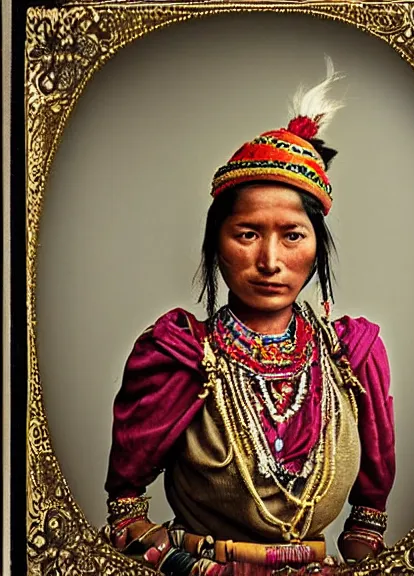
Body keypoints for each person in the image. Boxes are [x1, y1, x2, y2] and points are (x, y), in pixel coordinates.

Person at [104, 58, 395, 576]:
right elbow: (126, 511)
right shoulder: (177, 357)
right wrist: (182, 563)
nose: (270, 260)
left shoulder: (354, 358)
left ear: (317, 248)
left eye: (292, 235)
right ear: (217, 245)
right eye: (246, 234)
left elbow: (368, 521)